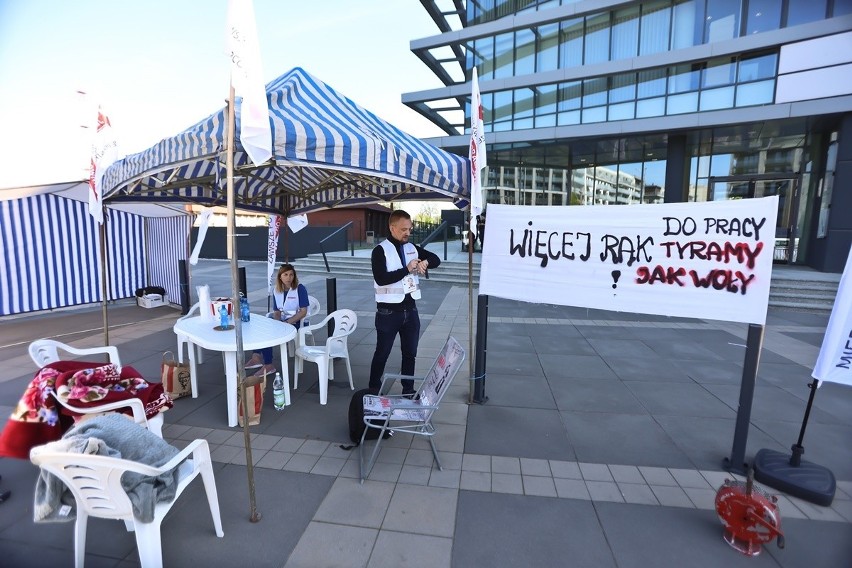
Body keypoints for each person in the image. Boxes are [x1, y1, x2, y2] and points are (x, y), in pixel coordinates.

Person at [369, 209, 441, 395]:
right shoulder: (380, 250)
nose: (407, 233)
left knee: (410, 354)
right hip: (388, 312)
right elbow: (381, 278)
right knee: (382, 353)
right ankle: (373, 389)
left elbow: (436, 259)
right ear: (392, 228)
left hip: (411, 310)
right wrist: (407, 269)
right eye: (403, 229)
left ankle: (408, 390)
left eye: (409, 228)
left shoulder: (412, 247)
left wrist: (426, 263)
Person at [244, 263, 308, 377]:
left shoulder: (300, 289)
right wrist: (277, 323)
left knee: (269, 332)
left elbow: (303, 312)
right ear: (280, 277)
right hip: (283, 320)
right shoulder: (277, 290)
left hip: (297, 322)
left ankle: (268, 365)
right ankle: (256, 357)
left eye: (291, 275)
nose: (289, 278)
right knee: (264, 327)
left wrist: (286, 323)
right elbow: (277, 311)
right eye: (286, 275)